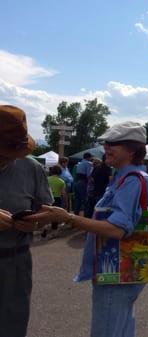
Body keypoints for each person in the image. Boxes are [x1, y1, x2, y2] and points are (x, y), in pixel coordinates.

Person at [26, 121, 148, 337]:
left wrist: (68, 217)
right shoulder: (127, 177)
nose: (106, 147)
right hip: (124, 269)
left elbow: (117, 229)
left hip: (116, 271)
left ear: (133, 149)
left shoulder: (132, 180)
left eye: (113, 143)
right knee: (122, 328)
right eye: (106, 142)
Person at [0, 105, 54, 337]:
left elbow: (46, 210)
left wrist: (35, 222)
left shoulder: (31, 167)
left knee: (13, 326)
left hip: (15, 262)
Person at [43, 165, 69, 238]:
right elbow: (63, 193)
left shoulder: (46, 179)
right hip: (57, 199)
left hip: (47, 198)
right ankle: (54, 233)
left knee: (46, 214)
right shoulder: (61, 181)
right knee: (55, 215)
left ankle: (45, 226)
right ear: (60, 172)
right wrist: (66, 202)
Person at [74, 152, 94, 217]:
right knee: (86, 200)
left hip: (76, 182)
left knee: (77, 200)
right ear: (89, 157)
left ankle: (75, 216)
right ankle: (86, 217)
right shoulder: (88, 163)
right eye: (91, 157)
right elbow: (89, 175)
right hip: (83, 182)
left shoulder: (79, 163)